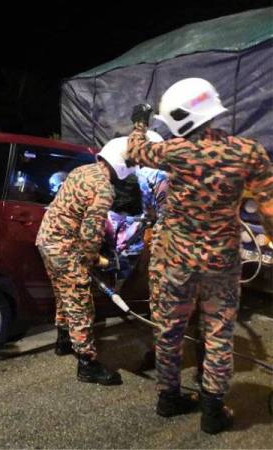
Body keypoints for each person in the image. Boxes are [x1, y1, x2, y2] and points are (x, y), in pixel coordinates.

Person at [126, 78, 273, 433]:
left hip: (175, 260)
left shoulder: (174, 151)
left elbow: (134, 151)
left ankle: (168, 397)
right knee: (219, 333)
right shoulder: (248, 152)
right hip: (221, 264)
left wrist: (140, 122)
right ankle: (213, 411)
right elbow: (269, 206)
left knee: (170, 330)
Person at [35, 135, 156, 386]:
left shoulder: (82, 170)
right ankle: (87, 363)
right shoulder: (104, 188)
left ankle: (63, 340)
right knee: (80, 300)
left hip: (46, 240)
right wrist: (97, 259)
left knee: (62, 292)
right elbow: (91, 234)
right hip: (65, 247)